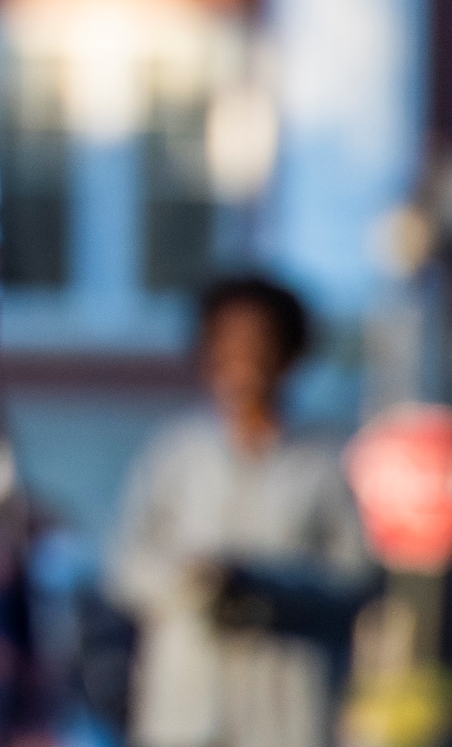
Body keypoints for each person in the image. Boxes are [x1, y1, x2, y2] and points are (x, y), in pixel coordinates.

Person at [104, 274, 373, 747]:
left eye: (261, 343)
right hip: (186, 709)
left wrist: (267, 584)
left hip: (284, 710)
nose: (245, 359)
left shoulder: (320, 463)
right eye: (229, 343)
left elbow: (355, 578)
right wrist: (194, 583)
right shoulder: (176, 454)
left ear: (290, 355)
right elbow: (125, 565)